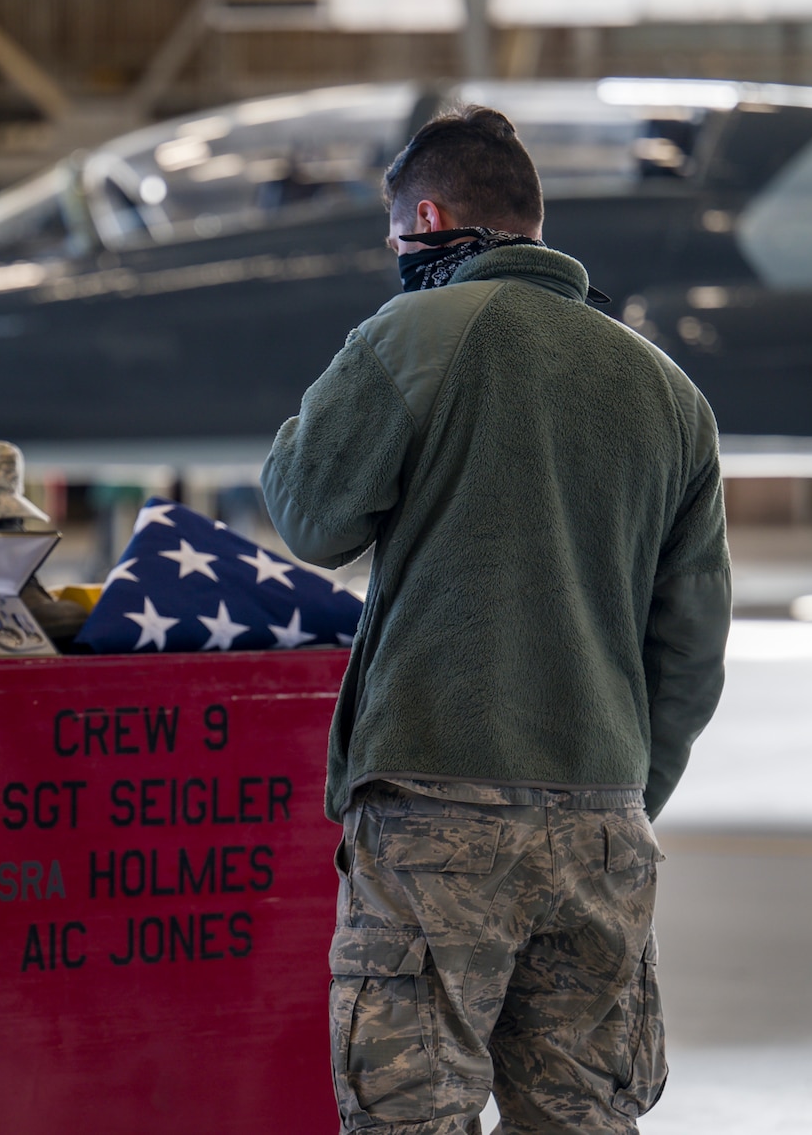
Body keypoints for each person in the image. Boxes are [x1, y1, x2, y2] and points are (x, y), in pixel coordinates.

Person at [261, 106, 729, 1134]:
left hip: (436, 814)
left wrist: (344, 372)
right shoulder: (668, 391)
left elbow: (307, 513)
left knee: (407, 1116)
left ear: (424, 219)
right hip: (603, 818)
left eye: (398, 243)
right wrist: (617, 793)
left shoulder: (410, 333)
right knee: (579, 1119)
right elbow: (690, 644)